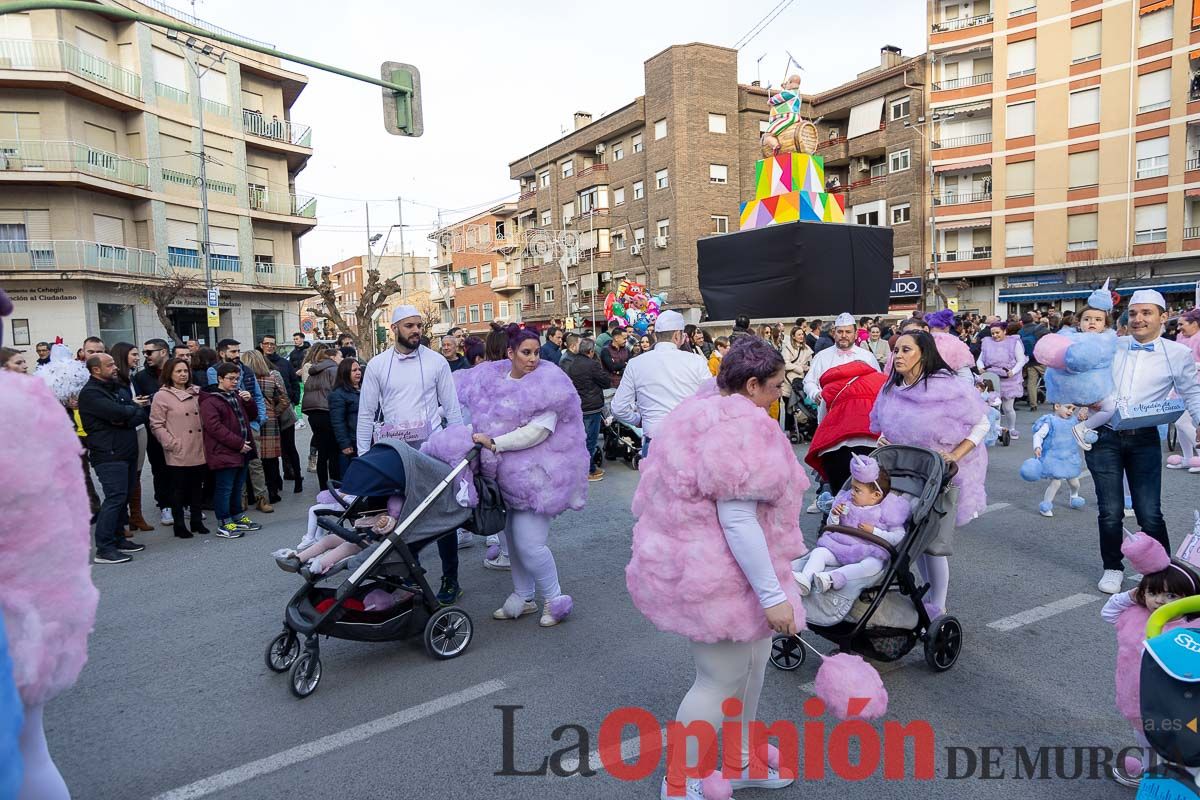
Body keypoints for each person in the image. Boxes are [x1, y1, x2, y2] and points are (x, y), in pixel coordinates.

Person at [626, 337, 806, 799]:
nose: (781, 392)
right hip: (721, 575)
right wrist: (772, 596)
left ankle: (739, 762)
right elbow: (738, 517)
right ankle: (679, 784)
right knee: (719, 678)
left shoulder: (701, 410)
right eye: (776, 385)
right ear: (751, 385)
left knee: (752, 666)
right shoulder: (740, 426)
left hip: (728, 568)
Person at [1, 368, 99, 799]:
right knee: (30, 747)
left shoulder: (17, 404)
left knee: (26, 749)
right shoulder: (22, 403)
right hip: (29, 607)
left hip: (20, 607)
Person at [465, 324, 586, 626]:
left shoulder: (549, 383)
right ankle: (524, 596)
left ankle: (555, 599)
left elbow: (537, 433)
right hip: (504, 482)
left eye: (536, 352)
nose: (533, 359)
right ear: (510, 353)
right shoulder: (494, 381)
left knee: (531, 545)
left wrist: (494, 443)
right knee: (513, 543)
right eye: (526, 352)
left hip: (538, 481)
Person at [870, 330, 990, 617]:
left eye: (905, 350)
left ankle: (938, 603)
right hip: (904, 473)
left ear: (923, 353)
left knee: (932, 542)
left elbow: (982, 423)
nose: (897, 356)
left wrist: (955, 455)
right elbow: (889, 426)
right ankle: (926, 597)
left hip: (939, 475)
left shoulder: (947, 388)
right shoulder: (892, 389)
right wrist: (885, 439)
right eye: (896, 350)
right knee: (914, 539)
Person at [1088, 289, 1200, 594]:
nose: (1138, 319)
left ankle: (1162, 571)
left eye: (1146, 313)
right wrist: (1081, 401)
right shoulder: (1110, 346)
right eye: (1134, 313)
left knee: (1148, 510)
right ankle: (1112, 566)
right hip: (1104, 436)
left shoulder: (1177, 354)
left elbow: (1192, 392)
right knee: (1110, 509)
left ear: (1163, 317)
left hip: (1144, 438)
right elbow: (1082, 370)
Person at [357, 305, 466, 604]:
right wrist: (364, 455)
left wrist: (458, 451)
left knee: (442, 518)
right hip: (395, 456)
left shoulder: (436, 362)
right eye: (409, 326)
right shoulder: (378, 365)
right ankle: (404, 578)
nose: (416, 330)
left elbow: (452, 408)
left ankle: (450, 579)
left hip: (432, 453)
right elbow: (366, 413)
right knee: (399, 518)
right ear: (394, 329)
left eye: (418, 325)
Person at [1102, 530, 1199, 786]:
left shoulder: (1191, 627)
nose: (1160, 601)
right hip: (1138, 699)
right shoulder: (1134, 615)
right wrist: (1130, 596)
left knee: (1183, 747)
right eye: (1153, 593)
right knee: (1145, 740)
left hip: (1179, 706)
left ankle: (1180, 783)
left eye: (1172, 596)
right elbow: (1108, 612)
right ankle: (1148, 774)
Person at [793, 454, 909, 595]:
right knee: (819, 552)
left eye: (857, 490)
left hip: (867, 551)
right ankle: (806, 578)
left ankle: (831, 577)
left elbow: (899, 536)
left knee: (873, 565)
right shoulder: (846, 501)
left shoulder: (888, 510)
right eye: (852, 488)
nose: (851, 493)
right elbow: (832, 527)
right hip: (841, 547)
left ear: (876, 495)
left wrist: (875, 531)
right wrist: (834, 515)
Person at [78, 352, 149, 563]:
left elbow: (137, 414)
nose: (115, 367)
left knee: (123, 496)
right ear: (96, 370)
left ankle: (119, 538)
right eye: (110, 365)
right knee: (115, 497)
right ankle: (104, 548)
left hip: (125, 451)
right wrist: (128, 412)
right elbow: (119, 413)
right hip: (108, 454)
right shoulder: (91, 393)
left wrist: (129, 411)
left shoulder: (116, 388)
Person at [612, 311, 712, 458]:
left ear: (655, 336)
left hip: (654, 441)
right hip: (688, 441)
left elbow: (618, 407)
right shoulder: (696, 361)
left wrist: (638, 420)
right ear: (677, 335)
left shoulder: (636, 363)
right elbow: (710, 401)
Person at [804, 359, 889, 498]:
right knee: (873, 499)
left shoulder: (831, 386)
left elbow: (822, 419)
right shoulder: (883, 381)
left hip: (835, 448)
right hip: (874, 444)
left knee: (842, 499)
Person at [198, 362, 262, 538]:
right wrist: (238, 443)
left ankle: (238, 516)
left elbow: (252, 416)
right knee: (225, 488)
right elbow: (214, 427)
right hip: (224, 450)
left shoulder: (236, 395)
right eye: (230, 379)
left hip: (242, 449)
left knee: (237, 486)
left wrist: (249, 402)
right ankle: (224, 522)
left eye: (237, 379)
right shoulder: (210, 400)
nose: (235, 382)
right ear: (220, 379)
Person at [148, 356, 209, 538]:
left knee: (197, 487)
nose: (183, 374)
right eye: (178, 371)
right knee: (178, 489)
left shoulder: (197, 392)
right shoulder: (162, 395)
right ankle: (180, 524)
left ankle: (196, 521)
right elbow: (156, 424)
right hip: (179, 448)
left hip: (199, 447)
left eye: (185, 371)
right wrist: (170, 443)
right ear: (170, 373)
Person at [109, 341, 155, 534]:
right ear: (122, 356)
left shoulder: (131, 377)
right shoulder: (114, 380)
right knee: (124, 476)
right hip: (124, 431)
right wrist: (132, 404)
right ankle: (123, 521)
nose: (138, 357)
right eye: (134, 354)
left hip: (139, 427)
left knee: (136, 474)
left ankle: (136, 515)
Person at [802, 312, 880, 418]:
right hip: (829, 415)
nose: (844, 335)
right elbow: (808, 381)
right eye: (840, 332)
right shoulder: (822, 356)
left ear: (855, 334)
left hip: (861, 416)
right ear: (834, 333)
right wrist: (815, 394)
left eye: (848, 332)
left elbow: (878, 385)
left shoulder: (867, 357)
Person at [241, 349, 289, 508]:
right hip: (270, 421)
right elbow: (284, 400)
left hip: (250, 420)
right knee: (271, 459)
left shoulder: (244, 380)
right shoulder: (271, 378)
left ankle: (251, 496)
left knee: (253, 459)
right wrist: (274, 413)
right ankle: (273, 492)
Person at [1021, 403, 1087, 517]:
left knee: (1075, 483)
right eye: (1068, 407)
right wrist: (1037, 447)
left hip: (1070, 458)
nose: (1071, 411)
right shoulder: (1050, 421)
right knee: (1055, 483)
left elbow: (1081, 432)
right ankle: (1046, 505)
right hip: (1054, 458)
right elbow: (1038, 435)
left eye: (1073, 409)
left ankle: (1074, 496)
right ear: (1057, 406)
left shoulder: (1073, 421)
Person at [133, 338, 173, 526]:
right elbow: (141, 403)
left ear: (163, 351)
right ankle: (165, 505)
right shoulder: (141, 377)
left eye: (150, 352)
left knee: (183, 468)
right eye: (144, 353)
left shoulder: (177, 369)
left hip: (181, 428)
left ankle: (185, 503)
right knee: (160, 468)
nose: (146, 356)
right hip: (155, 430)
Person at [258, 334, 302, 491]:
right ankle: (276, 481)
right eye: (267, 343)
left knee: (289, 447)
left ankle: (295, 476)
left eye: (272, 344)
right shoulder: (258, 363)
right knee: (272, 450)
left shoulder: (283, 363)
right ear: (261, 345)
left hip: (284, 412)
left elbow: (293, 382)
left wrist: (294, 399)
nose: (270, 346)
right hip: (270, 416)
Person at [565, 337, 611, 481]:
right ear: (591, 351)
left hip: (578, 406)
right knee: (590, 440)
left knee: (580, 440)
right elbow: (605, 382)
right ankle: (588, 470)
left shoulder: (571, 363)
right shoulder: (592, 365)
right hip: (592, 407)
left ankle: (583, 468)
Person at [301, 343, 343, 491]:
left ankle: (323, 488)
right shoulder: (333, 369)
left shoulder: (313, 370)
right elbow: (337, 392)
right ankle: (336, 488)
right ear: (332, 357)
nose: (341, 358)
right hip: (327, 412)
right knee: (333, 452)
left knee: (322, 452)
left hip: (313, 413)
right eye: (340, 356)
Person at [977, 321, 1027, 442]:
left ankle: (1012, 428)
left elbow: (1021, 360)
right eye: (993, 333)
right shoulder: (987, 342)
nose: (995, 335)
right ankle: (996, 429)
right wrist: (980, 367)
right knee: (993, 407)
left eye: (997, 332)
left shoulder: (1014, 342)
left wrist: (1013, 371)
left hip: (1009, 379)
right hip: (991, 379)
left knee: (1008, 407)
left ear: (1005, 331)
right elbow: (980, 359)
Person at [1172, 307, 1200, 472]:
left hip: (1195, 388)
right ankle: (1188, 458)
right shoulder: (1180, 338)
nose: (1179, 328)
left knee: (1182, 422)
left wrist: (1194, 366)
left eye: (1182, 324)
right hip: (1179, 387)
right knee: (1179, 424)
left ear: (1194, 324)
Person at [328, 356, 362, 474]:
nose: (358, 372)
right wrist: (345, 444)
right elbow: (338, 421)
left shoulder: (365, 389)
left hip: (365, 439)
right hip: (351, 442)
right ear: (345, 372)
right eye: (354, 370)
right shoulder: (338, 394)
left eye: (359, 369)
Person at [780, 325, 813, 439]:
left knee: (802, 406)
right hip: (788, 381)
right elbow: (784, 363)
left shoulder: (807, 349)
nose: (801, 336)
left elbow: (810, 363)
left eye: (802, 334)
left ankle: (802, 427)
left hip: (801, 381)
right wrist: (799, 368)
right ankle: (789, 429)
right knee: (789, 406)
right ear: (793, 336)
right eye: (799, 334)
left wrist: (807, 368)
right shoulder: (787, 348)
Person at [924, 310, 975, 381]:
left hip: (926, 385)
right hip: (951, 385)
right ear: (947, 326)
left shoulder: (923, 340)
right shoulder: (954, 341)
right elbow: (966, 376)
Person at [1018, 311, 1049, 411]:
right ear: (1033, 319)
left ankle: (1033, 405)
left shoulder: (1020, 332)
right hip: (1041, 359)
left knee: (1031, 383)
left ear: (1022, 322)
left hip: (1029, 360)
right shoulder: (1039, 328)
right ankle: (1056, 403)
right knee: (1050, 380)